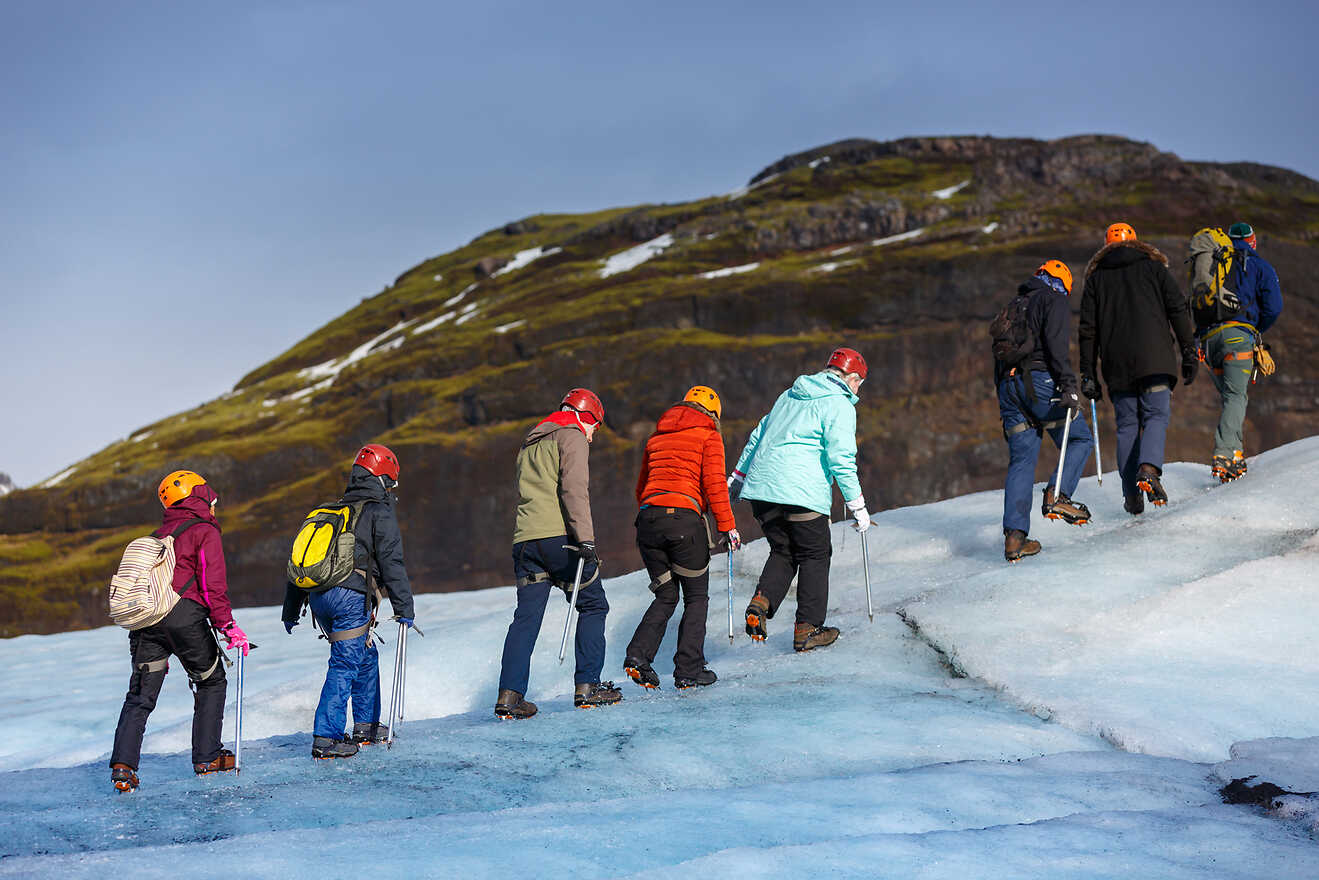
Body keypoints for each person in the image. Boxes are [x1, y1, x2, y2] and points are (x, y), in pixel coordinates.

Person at [110, 470, 249, 793]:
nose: (215, 505)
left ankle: (123, 767)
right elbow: (211, 583)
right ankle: (207, 758)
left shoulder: (160, 534)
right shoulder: (204, 530)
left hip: (147, 622)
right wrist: (226, 625)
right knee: (211, 681)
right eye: (211, 498)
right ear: (198, 496)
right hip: (184, 617)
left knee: (141, 696)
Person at [729, 348, 869, 652]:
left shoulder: (789, 395)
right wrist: (857, 504)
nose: (858, 389)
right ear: (851, 378)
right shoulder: (840, 404)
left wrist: (737, 478)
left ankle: (760, 603)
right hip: (801, 491)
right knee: (816, 554)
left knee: (784, 550)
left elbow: (758, 435)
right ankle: (808, 629)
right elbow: (841, 458)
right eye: (860, 382)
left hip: (763, 491)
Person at [281, 444, 416, 759]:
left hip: (319, 599)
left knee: (364, 656)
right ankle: (326, 738)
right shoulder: (378, 512)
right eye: (392, 483)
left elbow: (301, 560)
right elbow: (392, 563)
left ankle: (366, 726)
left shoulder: (330, 512)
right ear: (384, 479)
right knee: (345, 663)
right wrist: (404, 608)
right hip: (349, 597)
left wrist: (291, 609)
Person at [495, 388, 621, 719]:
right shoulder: (572, 436)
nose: (593, 436)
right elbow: (574, 489)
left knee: (525, 619)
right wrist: (587, 540)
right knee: (594, 604)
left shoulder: (529, 442)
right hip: (559, 539)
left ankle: (510, 696)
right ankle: (588, 687)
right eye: (595, 427)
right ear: (586, 416)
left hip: (525, 541)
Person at [623, 385, 740, 690]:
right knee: (696, 596)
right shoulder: (708, 435)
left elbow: (641, 488)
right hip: (684, 521)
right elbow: (715, 484)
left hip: (648, 521)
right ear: (713, 414)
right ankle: (688, 670)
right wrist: (727, 527)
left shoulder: (657, 437)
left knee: (666, 595)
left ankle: (638, 657)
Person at [1079, 222, 1197, 514]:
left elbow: (1088, 331)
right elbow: (1178, 309)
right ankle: (1148, 469)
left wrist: (1088, 374)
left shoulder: (1096, 280)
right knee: (1156, 415)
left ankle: (1131, 495)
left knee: (1128, 427)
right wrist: (1189, 351)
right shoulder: (1154, 269)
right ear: (1137, 242)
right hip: (1155, 358)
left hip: (1117, 366)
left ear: (1106, 245)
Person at [995, 260, 1094, 562]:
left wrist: (1006, 401)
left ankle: (1015, 539)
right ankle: (1058, 495)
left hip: (1008, 387)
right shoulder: (1053, 300)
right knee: (1080, 439)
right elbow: (1056, 347)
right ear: (1060, 282)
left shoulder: (1014, 305)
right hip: (1040, 383)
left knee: (1022, 461)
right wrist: (1068, 386)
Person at [1197, 222, 1283, 482]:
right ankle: (1225, 455)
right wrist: (1255, 330)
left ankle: (1235, 454)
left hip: (1208, 339)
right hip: (1238, 336)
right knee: (1236, 395)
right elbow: (1274, 307)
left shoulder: (1213, 263)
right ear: (1252, 241)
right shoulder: (1260, 266)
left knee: (1231, 397)